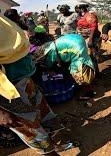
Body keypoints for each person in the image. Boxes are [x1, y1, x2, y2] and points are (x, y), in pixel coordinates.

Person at [0, 12, 64, 155]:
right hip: (10, 91)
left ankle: (52, 142)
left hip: (24, 81)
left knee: (42, 117)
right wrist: (1, 111)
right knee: (31, 130)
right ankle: (50, 153)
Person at [30, 33, 96, 100]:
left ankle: (89, 92)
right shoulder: (46, 47)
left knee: (78, 73)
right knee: (79, 65)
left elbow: (53, 64)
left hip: (75, 47)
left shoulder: (48, 55)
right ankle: (82, 86)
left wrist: (51, 70)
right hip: (77, 39)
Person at [76, 4, 101, 73]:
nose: (77, 11)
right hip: (84, 38)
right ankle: (89, 73)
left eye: (78, 9)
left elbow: (93, 28)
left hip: (91, 38)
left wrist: (90, 40)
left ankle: (96, 73)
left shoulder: (90, 15)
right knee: (86, 56)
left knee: (93, 56)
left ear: (82, 9)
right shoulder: (83, 16)